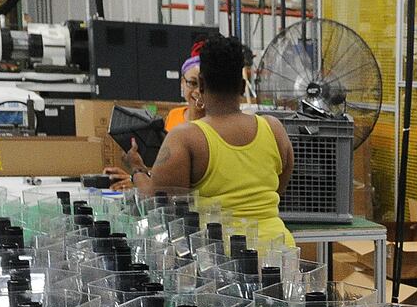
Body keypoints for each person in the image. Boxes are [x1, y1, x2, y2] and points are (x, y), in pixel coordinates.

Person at [108, 33, 296, 251]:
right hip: (280, 253)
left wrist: (137, 168)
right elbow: (279, 187)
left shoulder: (186, 137)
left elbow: (156, 206)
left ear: (202, 85)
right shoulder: (273, 128)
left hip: (223, 262)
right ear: (243, 86)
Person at [163, 44, 204, 131]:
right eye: (193, 83)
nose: (198, 91)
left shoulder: (217, 123)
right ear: (182, 82)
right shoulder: (173, 115)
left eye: (205, 85)